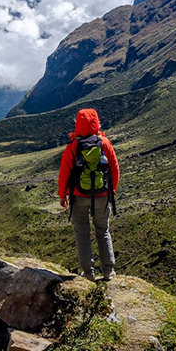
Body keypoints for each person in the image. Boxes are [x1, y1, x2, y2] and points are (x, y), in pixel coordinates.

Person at [58, 108, 119, 281]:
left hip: (78, 196)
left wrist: (63, 195)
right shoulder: (105, 143)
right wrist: (111, 191)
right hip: (101, 195)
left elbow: (64, 173)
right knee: (103, 230)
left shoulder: (73, 146)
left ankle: (88, 273)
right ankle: (108, 271)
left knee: (82, 233)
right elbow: (114, 168)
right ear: (96, 122)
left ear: (78, 124)